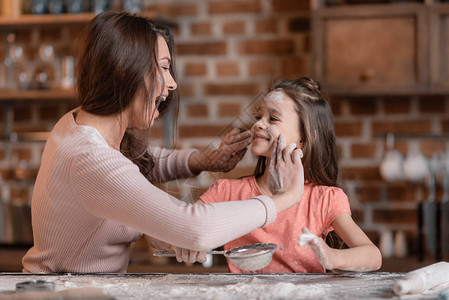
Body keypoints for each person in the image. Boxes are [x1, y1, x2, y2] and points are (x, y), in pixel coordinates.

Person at [21, 11, 304, 273]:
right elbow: (195, 227)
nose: (172, 83)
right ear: (125, 69)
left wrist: (206, 161)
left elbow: (139, 163)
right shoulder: (88, 158)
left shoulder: (77, 123)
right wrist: (282, 199)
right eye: (164, 68)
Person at [199, 77, 382, 273]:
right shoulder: (226, 192)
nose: (258, 124)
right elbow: (184, 227)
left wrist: (332, 256)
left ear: (305, 138)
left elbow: (373, 256)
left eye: (273, 119)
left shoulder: (324, 199)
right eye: (258, 117)